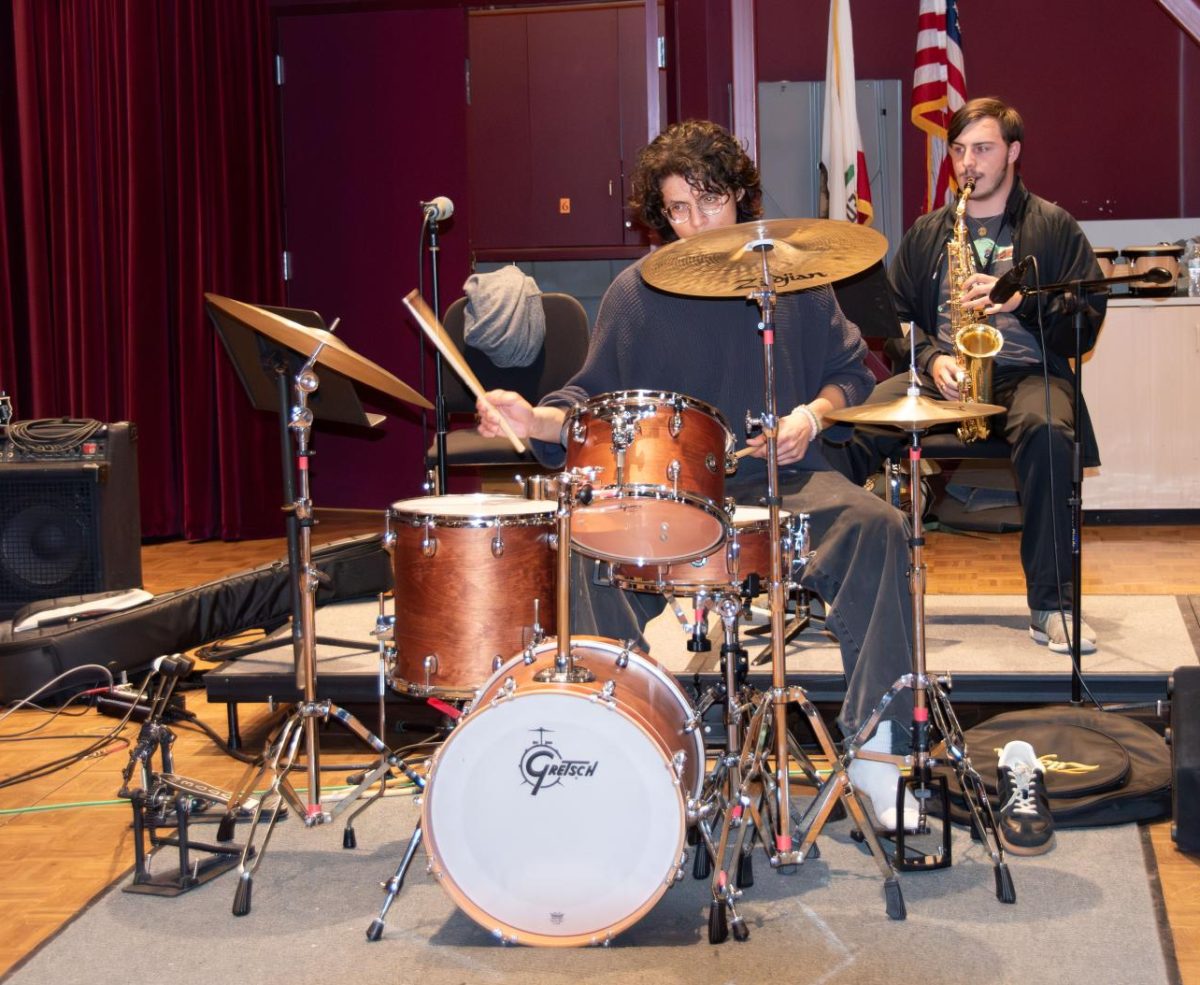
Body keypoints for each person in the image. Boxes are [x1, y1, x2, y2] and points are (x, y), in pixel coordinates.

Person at [476, 119, 918, 831]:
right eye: (677, 209)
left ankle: (880, 752)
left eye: (707, 202)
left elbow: (851, 374)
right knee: (587, 555)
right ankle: (622, 744)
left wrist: (810, 416)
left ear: (740, 195)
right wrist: (535, 420)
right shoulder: (635, 293)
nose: (692, 223)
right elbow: (591, 399)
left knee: (880, 526)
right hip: (676, 488)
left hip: (790, 480)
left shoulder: (796, 276)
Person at [839, 97, 1106, 656]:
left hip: (1024, 372)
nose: (968, 163)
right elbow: (893, 320)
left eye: (982, 149)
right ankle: (816, 585)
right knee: (848, 427)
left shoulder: (1053, 227)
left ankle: (1052, 605)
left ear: (1012, 152)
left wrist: (1020, 306)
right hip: (941, 372)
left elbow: (1085, 322)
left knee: (1050, 432)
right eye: (959, 150)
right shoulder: (930, 231)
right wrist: (932, 357)